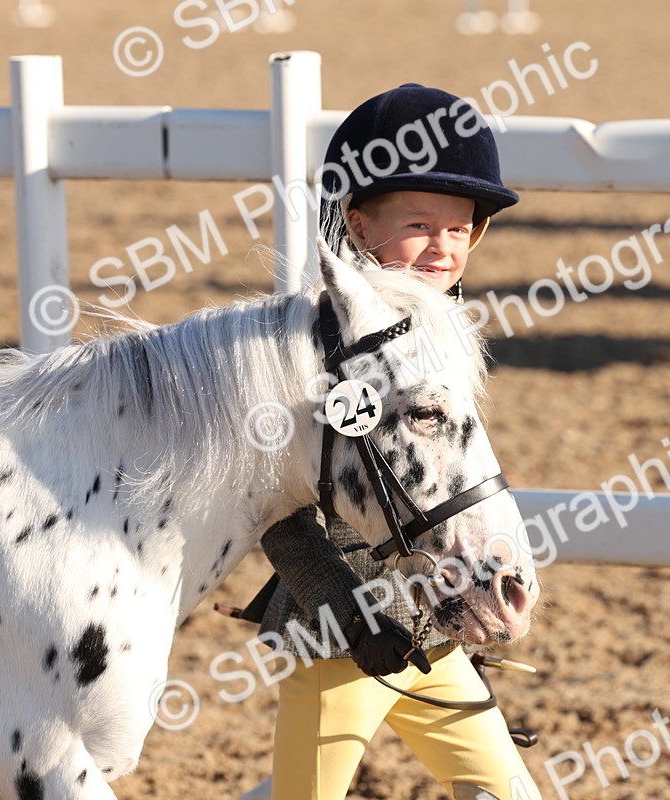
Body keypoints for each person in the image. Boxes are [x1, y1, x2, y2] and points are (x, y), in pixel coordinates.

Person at [247, 84, 542, 800]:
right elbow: (277, 507)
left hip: (434, 633)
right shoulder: (321, 348)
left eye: (458, 228)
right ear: (357, 222)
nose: (442, 247)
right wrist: (349, 611)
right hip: (339, 644)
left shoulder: (441, 333)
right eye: (419, 224)